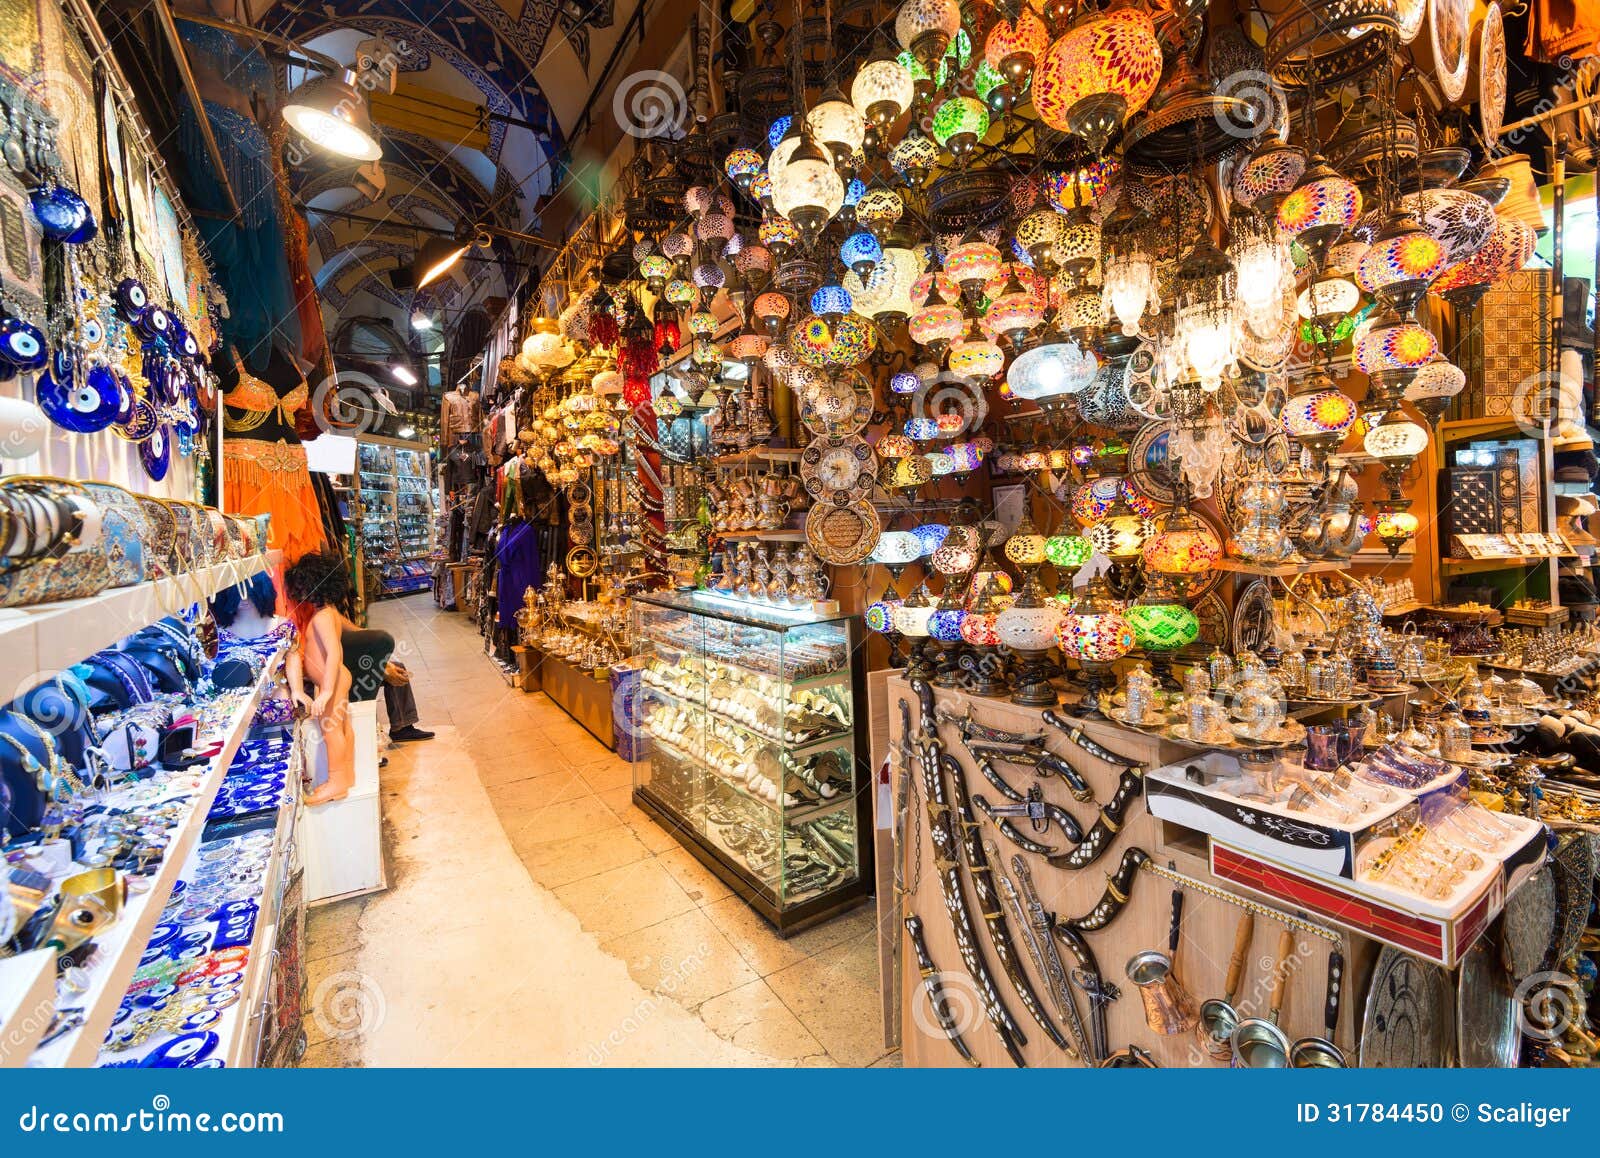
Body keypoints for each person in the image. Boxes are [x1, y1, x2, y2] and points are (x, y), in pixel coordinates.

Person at [283, 552, 355, 805]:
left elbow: (335, 651)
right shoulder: (330, 612)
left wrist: (325, 691)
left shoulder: (323, 617)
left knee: (331, 729)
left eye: (302, 587)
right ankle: (346, 775)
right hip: (334, 678)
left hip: (331, 681)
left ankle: (336, 781)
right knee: (342, 726)